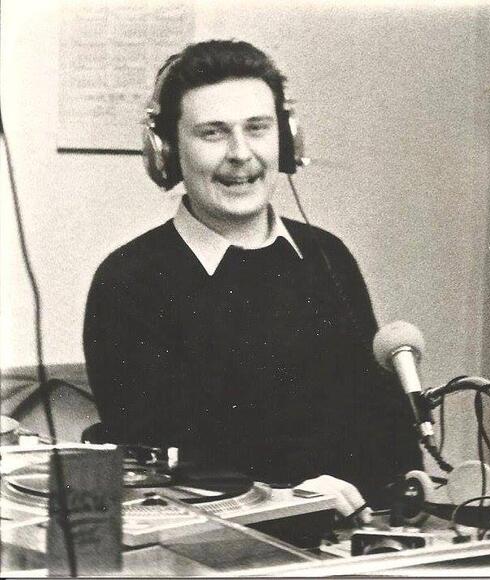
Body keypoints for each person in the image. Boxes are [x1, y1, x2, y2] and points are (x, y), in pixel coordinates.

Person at [83, 39, 422, 518]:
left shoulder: (327, 255)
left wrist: (412, 486)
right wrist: (285, 500)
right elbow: (154, 466)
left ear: (287, 139)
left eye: (257, 128)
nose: (241, 154)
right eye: (213, 133)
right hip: (223, 544)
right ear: (167, 151)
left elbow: (380, 421)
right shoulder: (128, 282)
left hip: (356, 532)